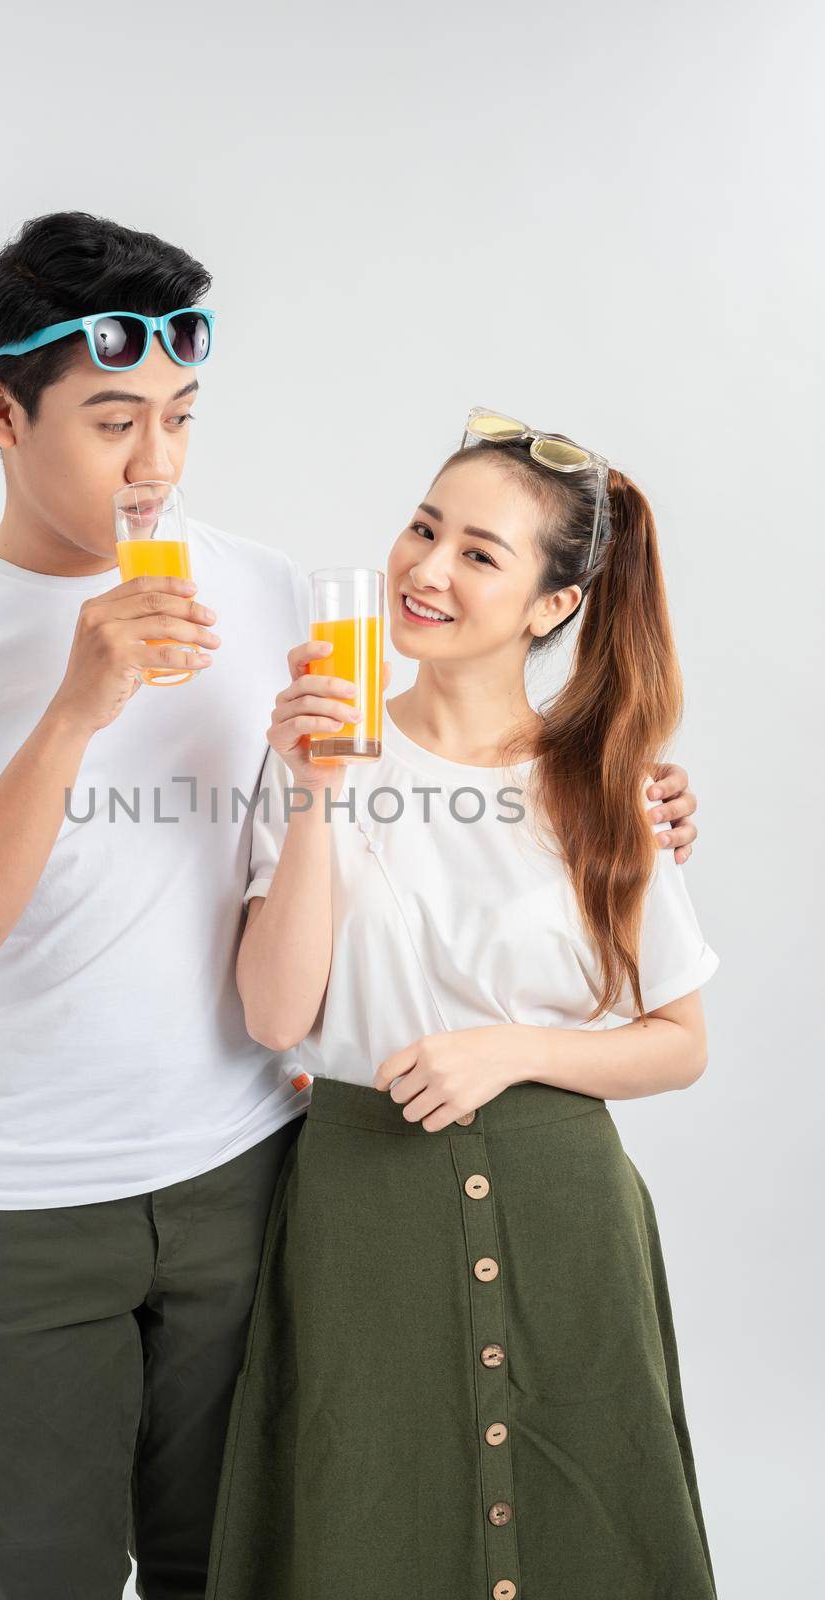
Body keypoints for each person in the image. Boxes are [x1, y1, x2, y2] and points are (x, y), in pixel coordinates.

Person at [0, 206, 700, 1600]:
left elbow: (414, 771)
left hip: (251, 1176)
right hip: (21, 1206)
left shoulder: (274, 596)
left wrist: (623, 797)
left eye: (181, 414)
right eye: (115, 423)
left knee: (235, 1570)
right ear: (1, 408)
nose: (158, 464)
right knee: (38, 1579)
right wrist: (75, 709)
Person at [205, 412, 719, 1600]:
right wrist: (319, 797)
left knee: (585, 1516)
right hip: (357, 1215)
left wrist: (515, 1051)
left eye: (481, 553)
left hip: (566, 1218)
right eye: (423, 527)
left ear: (551, 604)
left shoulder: (603, 788)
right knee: (364, 1516)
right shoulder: (317, 753)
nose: (427, 569)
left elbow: (680, 1042)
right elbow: (277, 1015)